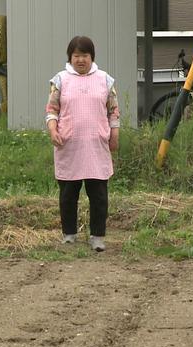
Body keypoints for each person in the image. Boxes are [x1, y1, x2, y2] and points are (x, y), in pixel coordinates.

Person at [45, 36, 120, 252]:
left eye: (84, 56)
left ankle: (97, 237)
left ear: (91, 57)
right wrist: (52, 130)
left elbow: (113, 111)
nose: (80, 60)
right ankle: (69, 234)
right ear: (70, 58)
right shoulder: (59, 80)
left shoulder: (105, 80)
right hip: (69, 145)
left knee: (98, 195)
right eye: (76, 56)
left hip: (96, 145)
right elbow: (51, 110)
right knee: (68, 194)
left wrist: (114, 134)